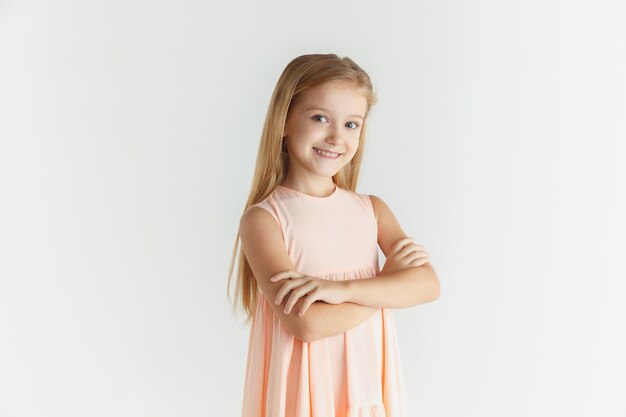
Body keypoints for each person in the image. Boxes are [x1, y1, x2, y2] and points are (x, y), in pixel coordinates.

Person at [227, 53, 441, 417]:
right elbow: (307, 324)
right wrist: (387, 285)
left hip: (368, 390)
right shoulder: (264, 220)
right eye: (320, 118)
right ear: (284, 121)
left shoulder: (371, 210)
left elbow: (427, 285)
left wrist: (341, 292)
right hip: (305, 398)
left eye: (351, 124)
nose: (335, 136)